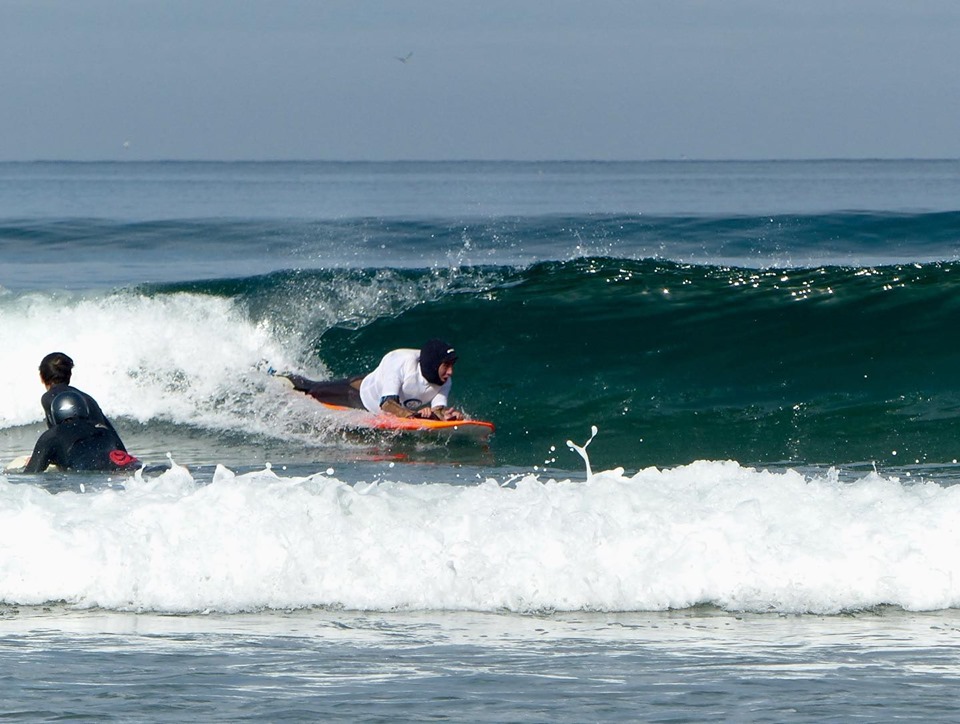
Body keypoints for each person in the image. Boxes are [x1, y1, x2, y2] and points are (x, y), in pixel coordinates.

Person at [280, 338, 465, 421]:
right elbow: (387, 405)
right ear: (433, 364)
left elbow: (438, 410)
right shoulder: (399, 362)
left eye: (452, 366)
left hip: (377, 385)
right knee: (311, 390)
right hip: (360, 396)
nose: (450, 372)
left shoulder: (443, 379)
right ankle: (284, 377)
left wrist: (445, 416)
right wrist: (415, 416)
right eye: (446, 366)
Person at [23, 352, 139, 473]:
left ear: (41, 376)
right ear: (69, 374)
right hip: (109, 455)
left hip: (83, 462)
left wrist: (43, 456)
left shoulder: (49, 398)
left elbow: (61, 436)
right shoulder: (86, 398)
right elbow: (112, 436)